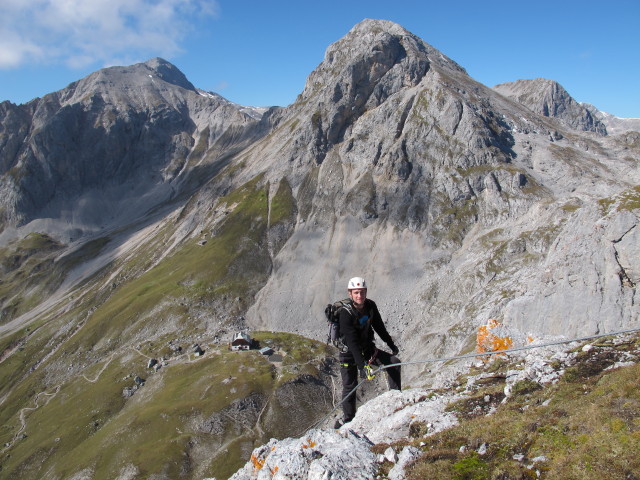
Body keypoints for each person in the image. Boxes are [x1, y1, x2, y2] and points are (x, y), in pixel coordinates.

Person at [334, 276, 401, 428]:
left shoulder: (370, 306)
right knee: (350, 386)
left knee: (394, 363)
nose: (360, 296)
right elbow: (352, 342)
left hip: (367, 349)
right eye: (356, 293)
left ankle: (396, 399)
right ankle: (348, 420)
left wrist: (391, 344)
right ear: (350, 294)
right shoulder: (345, 313)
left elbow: (379, 327)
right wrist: (362, 366)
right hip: (349, 355)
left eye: (362, 292)